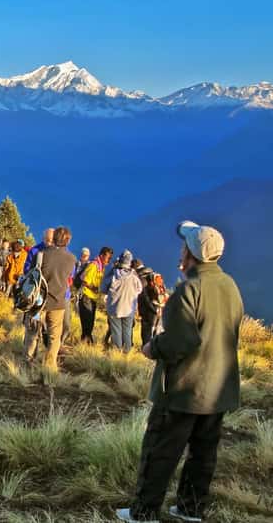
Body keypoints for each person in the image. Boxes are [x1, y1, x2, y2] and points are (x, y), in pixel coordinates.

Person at [117, 222, 244, 523]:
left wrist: (153, 348)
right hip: (218, 390)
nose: (181, 250)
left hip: (184, 390)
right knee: (203, 454)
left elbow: (181, 341)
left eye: (185, 246)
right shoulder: (230, 286)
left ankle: (144, 512)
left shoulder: (190, 289)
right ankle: (190, 508)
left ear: (192, 253)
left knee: (161, 451)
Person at [22, 226, 76, 371]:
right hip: (58, 302)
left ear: (54, 238)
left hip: (38, 301)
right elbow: (70, 279)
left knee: (32, 332)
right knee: (54, 336)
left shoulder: (41, 254)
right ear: (68, 241)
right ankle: (49, 366)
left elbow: (31, 274)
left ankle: (28, 362)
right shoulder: (71, 259)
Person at [102, 250, 143, 353]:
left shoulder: (113, 274)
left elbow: (103, 288)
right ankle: (126, 353)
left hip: (114, 308)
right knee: (127, 331)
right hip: (129, 308)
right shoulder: (134, 276)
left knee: (116, 331)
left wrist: (112, 268)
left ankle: (117, 352)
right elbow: (139, 289)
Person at [78, 246, 113, 344]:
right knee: (87, 323)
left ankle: (86, 343)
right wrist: (95, 288)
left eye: (110, 258)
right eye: (107, 258)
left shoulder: (101, 267)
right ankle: (86, 344)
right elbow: (85, 281)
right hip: (86, 297)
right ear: (102, 256)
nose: (109, 260)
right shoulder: (94, 265)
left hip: (92, 298)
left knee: (90, 322)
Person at [135, 261, 168, 347]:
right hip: (160, 308)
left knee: (147, 330)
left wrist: (151, 309)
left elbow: (145, 298)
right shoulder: (157, 279)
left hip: (150, 310)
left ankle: (147, 348)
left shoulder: (143, 280)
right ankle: (157, 348)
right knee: (157, 329)